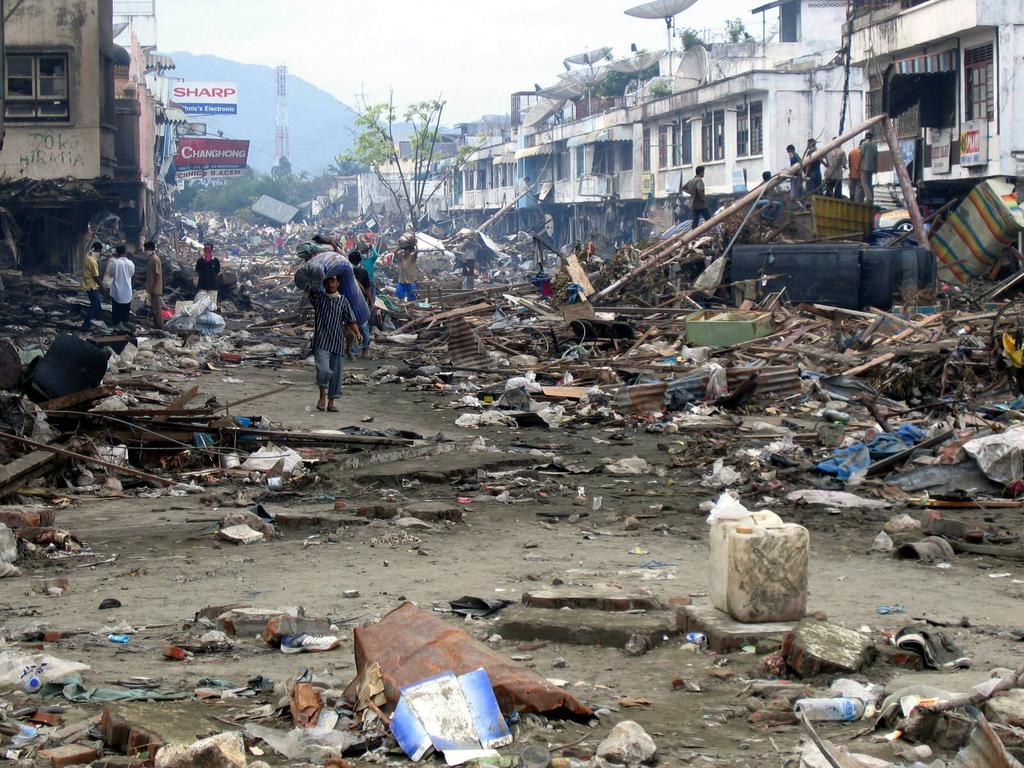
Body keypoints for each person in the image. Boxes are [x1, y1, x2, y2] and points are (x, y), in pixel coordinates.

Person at [308, 274, 361, 412]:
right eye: (328, 282)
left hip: (337, 341)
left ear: (338, 283)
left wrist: (357, 333)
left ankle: (331, 402)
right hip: (321, 341)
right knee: (324, 370)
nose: (330, 284)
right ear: (324, 284)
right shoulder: (319, 298)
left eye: (333, 281)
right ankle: (322, 396)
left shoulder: (343, 301)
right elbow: (310, 288)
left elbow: (350, 319)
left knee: (336, 374)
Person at [347, 250, 373, 358]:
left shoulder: (345, 272)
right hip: (361, 303)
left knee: (352, 327)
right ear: (360, 260)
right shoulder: (363, 272)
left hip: (348, 303)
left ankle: (352, 350)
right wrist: (371, 302)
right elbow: (367, 289)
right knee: (363, 326)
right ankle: (365, 348)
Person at [105, 244, 135, 328]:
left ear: (117, 253)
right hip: (127, 290)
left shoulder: (115, 263)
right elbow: (132, 274)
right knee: (126, 308)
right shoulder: (130, 263)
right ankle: (125, 323)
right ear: (125, 252)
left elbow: (111, 274)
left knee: (116, 309)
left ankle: (117, 324)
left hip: (117, 290)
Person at [81, 242, 103, 331]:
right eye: (100, 251)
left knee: (97, 305)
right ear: (97, 250)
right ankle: (86, 324)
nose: (100, 253)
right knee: (94, 305)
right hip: (91, 285)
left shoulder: (87, 256)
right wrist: (103, 287)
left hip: (88, 284)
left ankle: (96, 321)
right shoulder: (92, 261)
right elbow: (96, 277)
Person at [195, 242, 221, 309]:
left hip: (213, 286)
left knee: (212, 306)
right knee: (199, 305)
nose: (207, 250)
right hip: (202, 286)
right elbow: (197, 271)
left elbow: (217, 272)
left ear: (211, 250)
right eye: (205, 249)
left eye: (208, 249)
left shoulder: (216, 261)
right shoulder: (200, 261)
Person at [144, 241, 163, 330]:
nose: (145, 251)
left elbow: (157, 274)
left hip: (155, 288)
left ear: (150, 249)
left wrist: (154, 288)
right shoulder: (152, 259)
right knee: (154, 307)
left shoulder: (155, 259)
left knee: (157, 307)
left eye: (146, 249)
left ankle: (159, 325)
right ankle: (156, 323)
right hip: (152, 288)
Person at [395, 232, 419, 301]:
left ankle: (411, 308)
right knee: (398, 296)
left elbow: (417, 251)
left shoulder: (412, 257)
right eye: (406, 250)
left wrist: (416, 244)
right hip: (402, 281)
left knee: (412, 298)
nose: (406, 251)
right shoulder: (401, 257)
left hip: (410, 281)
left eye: (408, 250)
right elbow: (394, 252)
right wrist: (399, 247)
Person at [860, 131, 878, 204]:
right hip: (872, 167)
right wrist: (876, 168)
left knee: (864, 183)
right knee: (870, 183)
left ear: (865, 137)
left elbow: (861, 155)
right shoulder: (874, 145)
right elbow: (875, 158)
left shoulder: (864, 144)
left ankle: (868, 199)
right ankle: (872, 198)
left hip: (864, 167)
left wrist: (858, 166)